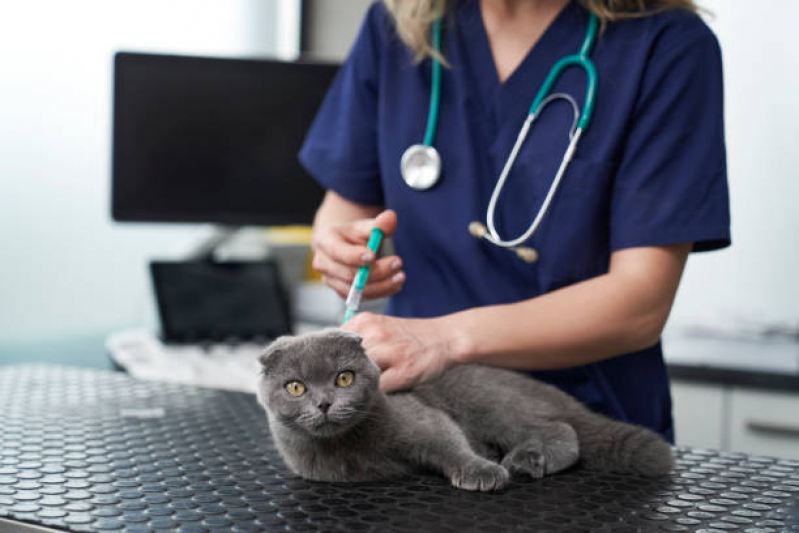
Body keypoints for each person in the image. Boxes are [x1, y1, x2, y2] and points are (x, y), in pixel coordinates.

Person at [299, 0, 730, 442]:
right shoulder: (401, 24)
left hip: (585, 437)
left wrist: (442, 340)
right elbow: (343, 207)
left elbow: (641, 304)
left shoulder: (665, 44)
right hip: (418, 423)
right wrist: (339, 250)